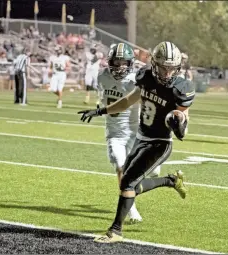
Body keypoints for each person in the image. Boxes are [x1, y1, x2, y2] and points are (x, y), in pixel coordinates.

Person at [78, 41, 195, 243]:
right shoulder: (145, 77)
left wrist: (179, 122)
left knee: (128, 183)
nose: (167, 73)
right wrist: (100, 110)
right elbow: (127, 101)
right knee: (128, 182)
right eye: (163, 68)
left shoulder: (181, 88)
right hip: (141, 137)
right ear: (154, 64)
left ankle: (115, 231)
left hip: (159, 143)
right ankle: (170, 181)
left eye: (172, 69)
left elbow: (183, 118)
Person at [96, 42, 161, 223]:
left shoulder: (137, 78)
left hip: (136, 132)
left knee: (147, 168)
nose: (119, 66)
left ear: (130, 63)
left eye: (123, 62)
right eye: (115, 62)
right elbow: (102, 96)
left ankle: (152, 167)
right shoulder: (102, 76)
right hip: (114, 133)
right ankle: (131, 208)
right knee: (120, 166)